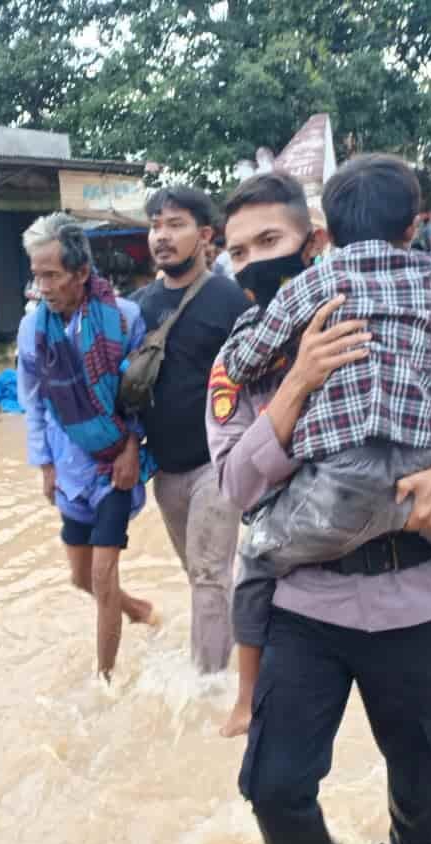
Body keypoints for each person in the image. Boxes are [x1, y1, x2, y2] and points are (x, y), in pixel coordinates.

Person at [210, 170, 431, 844]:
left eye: (270, 240)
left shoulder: (421, 318)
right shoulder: (240, 361)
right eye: (237, 253)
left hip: (413, 604)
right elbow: (236, 486)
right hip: (305, 609)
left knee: (424, 804)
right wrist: (295, 382)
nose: (254, 263)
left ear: (316, 242)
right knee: (273, 788)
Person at [16, 213, 157, 682]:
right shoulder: (33, 330)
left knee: (101, 576)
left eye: (52, 275)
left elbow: (141, 398)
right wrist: (45, 465)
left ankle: (106, 680)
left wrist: (132, 449)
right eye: (37, 276)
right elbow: (32, 403)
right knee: (79, 578)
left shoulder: (125, 318)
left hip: (114, 464)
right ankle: (139, 610)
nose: (43, 287)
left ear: (80, 273)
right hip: (70, 467)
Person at [130, 187, 253, 673]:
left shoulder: (230, 301)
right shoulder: (137, 308)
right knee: (204, 575)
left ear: (205, 236)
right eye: (156, 225)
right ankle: (247, 637)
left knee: (207, 574)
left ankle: (209, 689)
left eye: (175, 224)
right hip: (166, 472)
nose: (162, 235)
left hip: (217, 467)